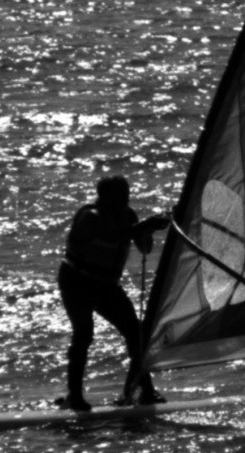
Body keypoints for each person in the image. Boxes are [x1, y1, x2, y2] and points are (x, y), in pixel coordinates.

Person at [56, 175, 170, 410]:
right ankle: (74, 397)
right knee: (84, 335)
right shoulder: (90, 216)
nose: (125, 200)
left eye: (127, 195)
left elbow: (144, 247)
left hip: (107, 286)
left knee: (136, 334)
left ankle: (140, 390)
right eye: (119, 196)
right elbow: (112, 236)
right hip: (77, 282)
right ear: (104, 196)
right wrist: (145, 225)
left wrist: (153, 228)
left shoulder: (128, 216)